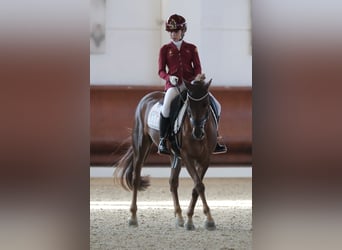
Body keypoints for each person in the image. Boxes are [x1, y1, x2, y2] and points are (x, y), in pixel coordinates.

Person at [158, 14, 227, 155]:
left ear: (183, 31)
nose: (173, 34)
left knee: (217, 105)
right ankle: (162, 140)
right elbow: (160, 71)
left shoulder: (191, 48)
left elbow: (197, 68)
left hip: (191, 85)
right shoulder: (164, 49)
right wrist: (168, 78)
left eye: (176, 32)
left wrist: (197, 79)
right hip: (174, 86)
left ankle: (215, 137)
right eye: (170, 32)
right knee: (165, 108)